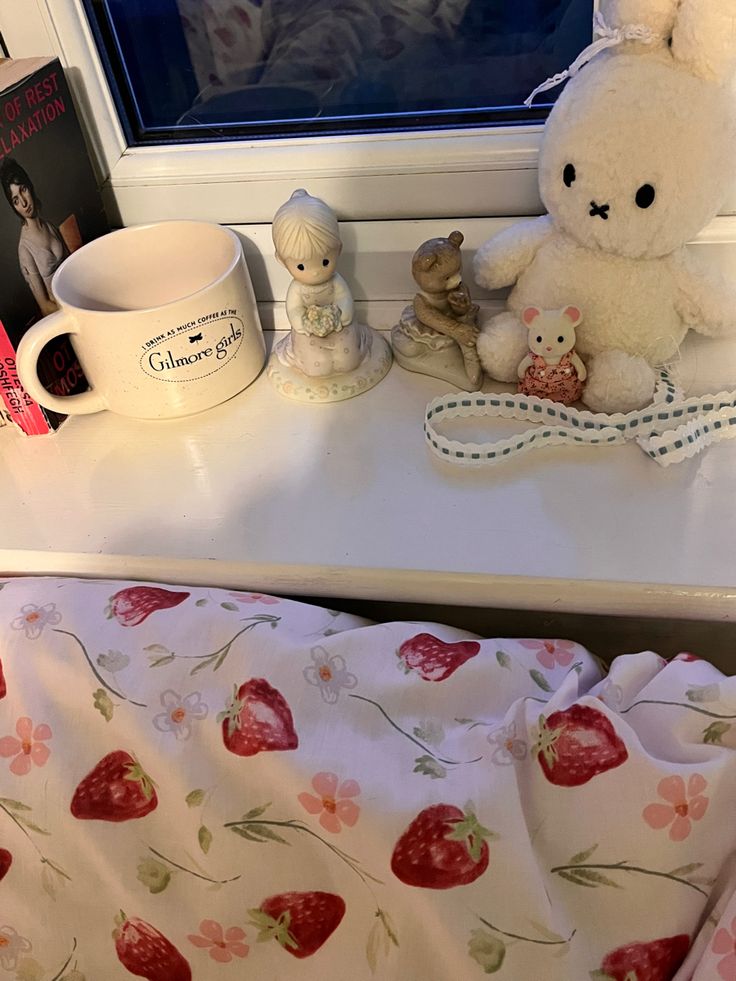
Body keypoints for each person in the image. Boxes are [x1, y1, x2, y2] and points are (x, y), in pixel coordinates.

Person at [271, 188, 369, 378]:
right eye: (301, 266)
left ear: (338, 250)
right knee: (317, 368)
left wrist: (342, 315)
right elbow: (294, 310)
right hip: (308, 334)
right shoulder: (298, 289)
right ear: (282, 261)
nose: (315, 272)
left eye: (325, 262)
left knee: (348, 362)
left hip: (339, 326)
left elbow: (344, 299)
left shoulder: (335, 282)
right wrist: (303, 323)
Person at [0, 158, 69, 317]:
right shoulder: (25, 249)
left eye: (23, 190)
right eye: (16, 200)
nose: (24, 203)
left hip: (75, 295)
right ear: (13, 207)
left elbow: (70, 263)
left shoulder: (49, 226)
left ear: (30, 186)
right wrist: (74, 313)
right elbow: (44, 306)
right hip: (60, 315)